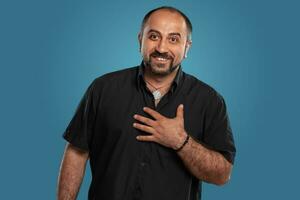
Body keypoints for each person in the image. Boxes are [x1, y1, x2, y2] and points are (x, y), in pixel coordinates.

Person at [57, 6, 236, 200]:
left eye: (173, 39)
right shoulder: (103, 89)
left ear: (187, 47)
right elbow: (77, 152)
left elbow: (222, 175)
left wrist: (181, 142)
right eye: (153, 36)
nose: (161, 48)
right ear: (140, 40)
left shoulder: (209, 101)